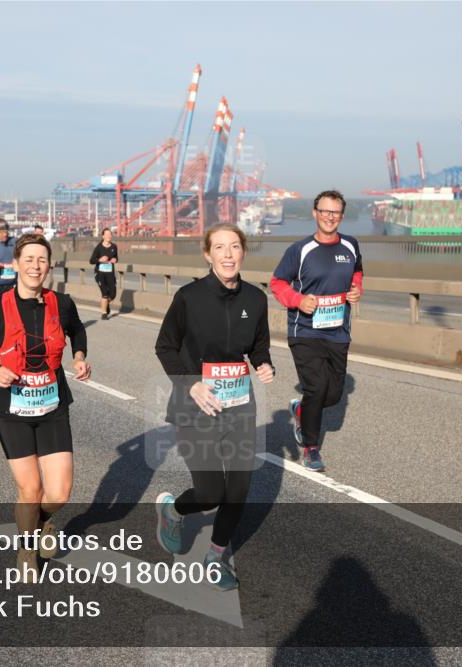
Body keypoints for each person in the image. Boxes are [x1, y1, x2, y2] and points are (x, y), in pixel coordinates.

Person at [153, 223, 274, 592]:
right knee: (211, 494)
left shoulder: (256, 299)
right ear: (207, 254)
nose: (227, 254)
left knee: (237, 492)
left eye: (234, 246)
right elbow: (165, 347)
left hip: (240, 408)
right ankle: (173, 510)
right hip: (196, 408)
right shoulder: (189, 297)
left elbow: (258, 345)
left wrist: (264, 363)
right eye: (219, 247)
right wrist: (191, 384)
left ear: (243, 252)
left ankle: (215, 557)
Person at [0, 233, 90, 580]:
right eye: (29, 260)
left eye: (42, 260)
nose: (36, 266)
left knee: (59, 493)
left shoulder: (61, 304)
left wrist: (79, 356)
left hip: (52, 408)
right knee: (30, 490)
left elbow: (77, 330)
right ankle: (27, 547)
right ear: (17, 264)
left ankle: (45, 518)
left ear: (48, 265)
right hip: (13, 411)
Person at [270, 190, 363, 471]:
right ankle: (311, 447)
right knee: (317, 387)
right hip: (305, 331)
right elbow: (277, 283)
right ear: (315, 213)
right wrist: (299, 300)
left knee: (332, 394)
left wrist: (356, 290)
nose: (329, 217)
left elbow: (357, 272)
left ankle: (302, 410)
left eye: (334, 212)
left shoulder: (351, 245)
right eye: (324, 211)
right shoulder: (299, 250)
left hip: (338, 331)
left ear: (341, 216)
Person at [89, 228, 118, 319]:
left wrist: (115, 260)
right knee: (104, 293)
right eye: (107, 234)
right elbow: (91, 260)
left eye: (110, 234)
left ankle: (105, 303)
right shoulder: (99, 247)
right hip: (100, 274)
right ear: (103, 236)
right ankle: (104, 313)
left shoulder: (114, 247)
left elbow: (116, 258)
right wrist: (100, 260)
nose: (109, 236)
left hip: (110, 273)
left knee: (112, 294)